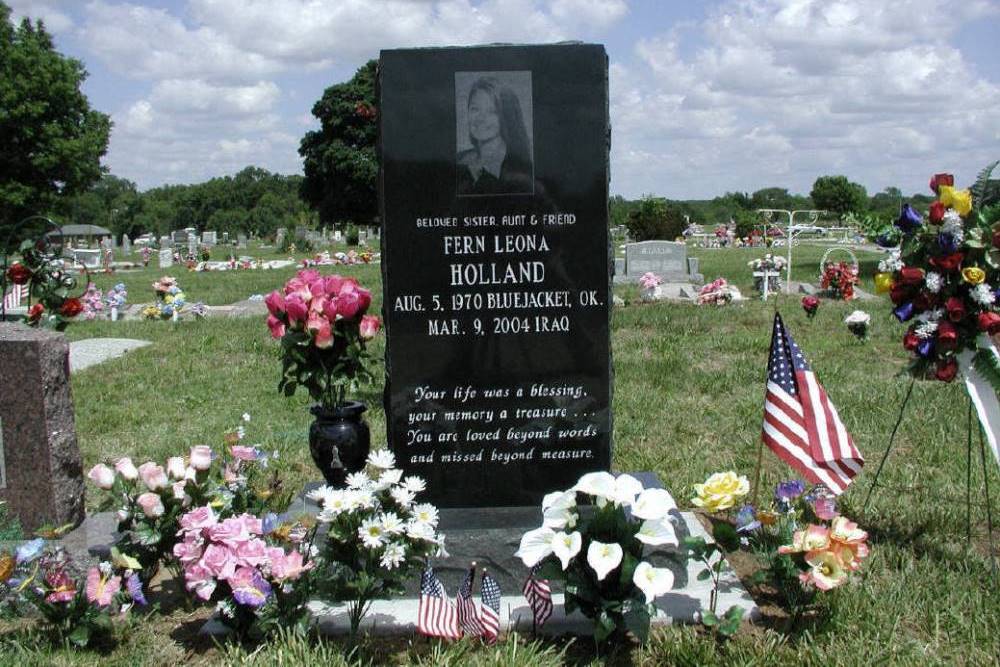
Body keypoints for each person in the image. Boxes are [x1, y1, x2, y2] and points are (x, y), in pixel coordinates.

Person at [457, 77, 533, 196]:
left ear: (506, 117)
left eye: (492, 111)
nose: (480, 119)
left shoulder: (521, 170)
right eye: (475, 109)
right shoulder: (459, 160)